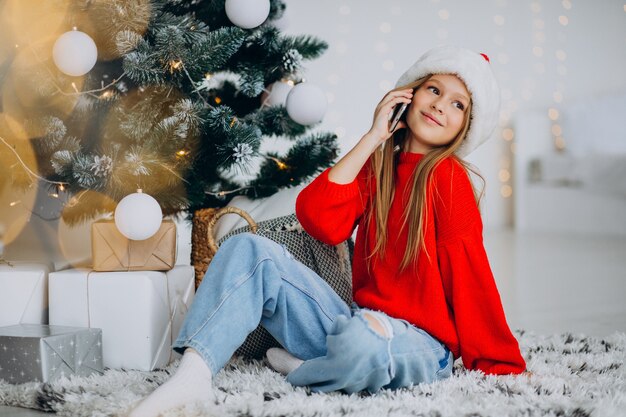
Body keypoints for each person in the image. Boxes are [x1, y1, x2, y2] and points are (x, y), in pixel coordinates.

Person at [129, 45, 527, 417]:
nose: (441, 105)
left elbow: (470, 273)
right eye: (433, 90)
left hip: (420, 345)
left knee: (363, 344)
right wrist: (373, 138)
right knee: (247, 248)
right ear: (407, 95)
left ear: (466, 126)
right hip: (354, 321)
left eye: (457, 104)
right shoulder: (376, 169)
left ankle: (310, 369)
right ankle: (193, 377)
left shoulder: (449, 178)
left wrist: (499, 362)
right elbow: (319, 220)